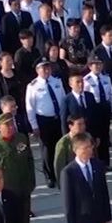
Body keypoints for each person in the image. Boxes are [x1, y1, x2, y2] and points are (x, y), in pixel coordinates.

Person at [26, 59, 66, 188]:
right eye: (43, 68)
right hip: (44, 120)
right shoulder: (33, 86)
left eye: (48, 67)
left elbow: (63, 100)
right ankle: (50, 176)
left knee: (60, 147)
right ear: (37, 70)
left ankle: (60, 172)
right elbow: (30, 107)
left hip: (58, 119)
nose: (46, 70)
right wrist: (34, 126)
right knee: (47, 149)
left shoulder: (57, 81)